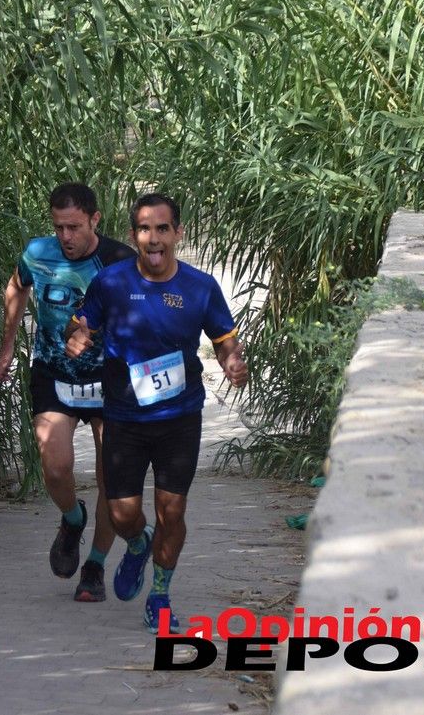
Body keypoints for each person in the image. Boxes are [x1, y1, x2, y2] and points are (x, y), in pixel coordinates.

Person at [64, 192, 247, 632]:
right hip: (124, 419)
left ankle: (160, 595)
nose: (153, 238)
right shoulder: (110, 283)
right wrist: (77, 336)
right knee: (124, 513)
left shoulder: (200, 287)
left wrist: (233, 361)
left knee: (173, 512)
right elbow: (80, 321)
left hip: (179, 418)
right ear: (134, 235)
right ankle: (138, 544)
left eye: (162, 228)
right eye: (145, 229)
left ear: (177, 234)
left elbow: (225, 339)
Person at [0, 183, 136, 602]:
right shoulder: (38, 253)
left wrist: (101, 334)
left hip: (111, 380)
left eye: (74, 227)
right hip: (54, 373)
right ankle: (73, 519)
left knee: (113, 479)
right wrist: (6, 348)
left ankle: (94, 566)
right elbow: (16, 288)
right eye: (59, 228)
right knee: (55, 467)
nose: (66, 237)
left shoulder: (119, 262)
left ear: (95, 219)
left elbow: (142, 318)